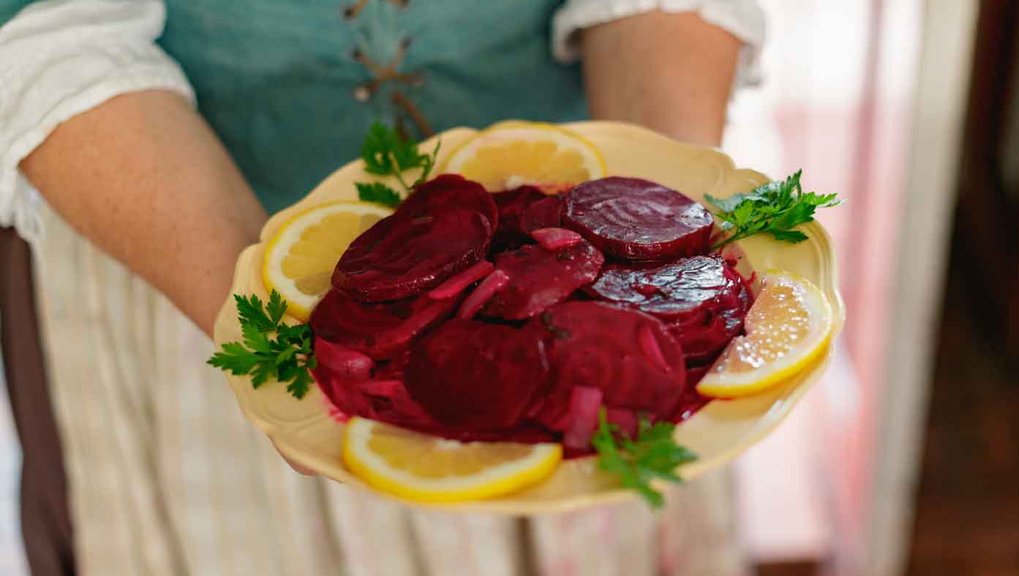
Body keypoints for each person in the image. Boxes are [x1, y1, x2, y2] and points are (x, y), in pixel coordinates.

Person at [0, 1, 764, 574]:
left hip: (576, 260)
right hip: (184, 241)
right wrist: (273, 332)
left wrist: (654, 243)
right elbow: (41, 31)